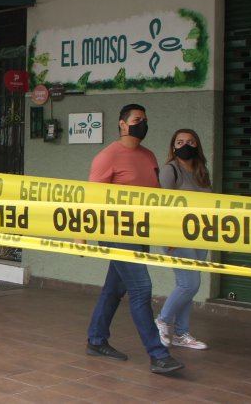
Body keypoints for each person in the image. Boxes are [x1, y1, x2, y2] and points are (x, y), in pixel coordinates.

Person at [84, 103, 184, 375]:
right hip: (114, 233)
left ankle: (96, 340)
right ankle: (158, 355)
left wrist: (168, 233)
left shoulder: (148, 156)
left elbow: (156, 198)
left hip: (140, 232)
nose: (143, 124)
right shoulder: (107, 157)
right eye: (137, 119)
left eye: (145, 119)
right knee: (141, 288)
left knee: (114, 288)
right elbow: (90, 199)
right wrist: (82, 236)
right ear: (122, 124)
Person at [155, 129, 212, 350]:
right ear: (173, 147)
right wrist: (168, 236)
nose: (185, 145)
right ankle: (162, 320)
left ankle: (181, 333)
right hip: (177, 235)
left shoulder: (201, 171)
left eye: (190, 141)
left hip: (200, 235)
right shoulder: (170, 170)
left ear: (197, 145)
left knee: (189, 286)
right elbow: (162, 204)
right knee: (189, 283)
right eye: (179, 142)